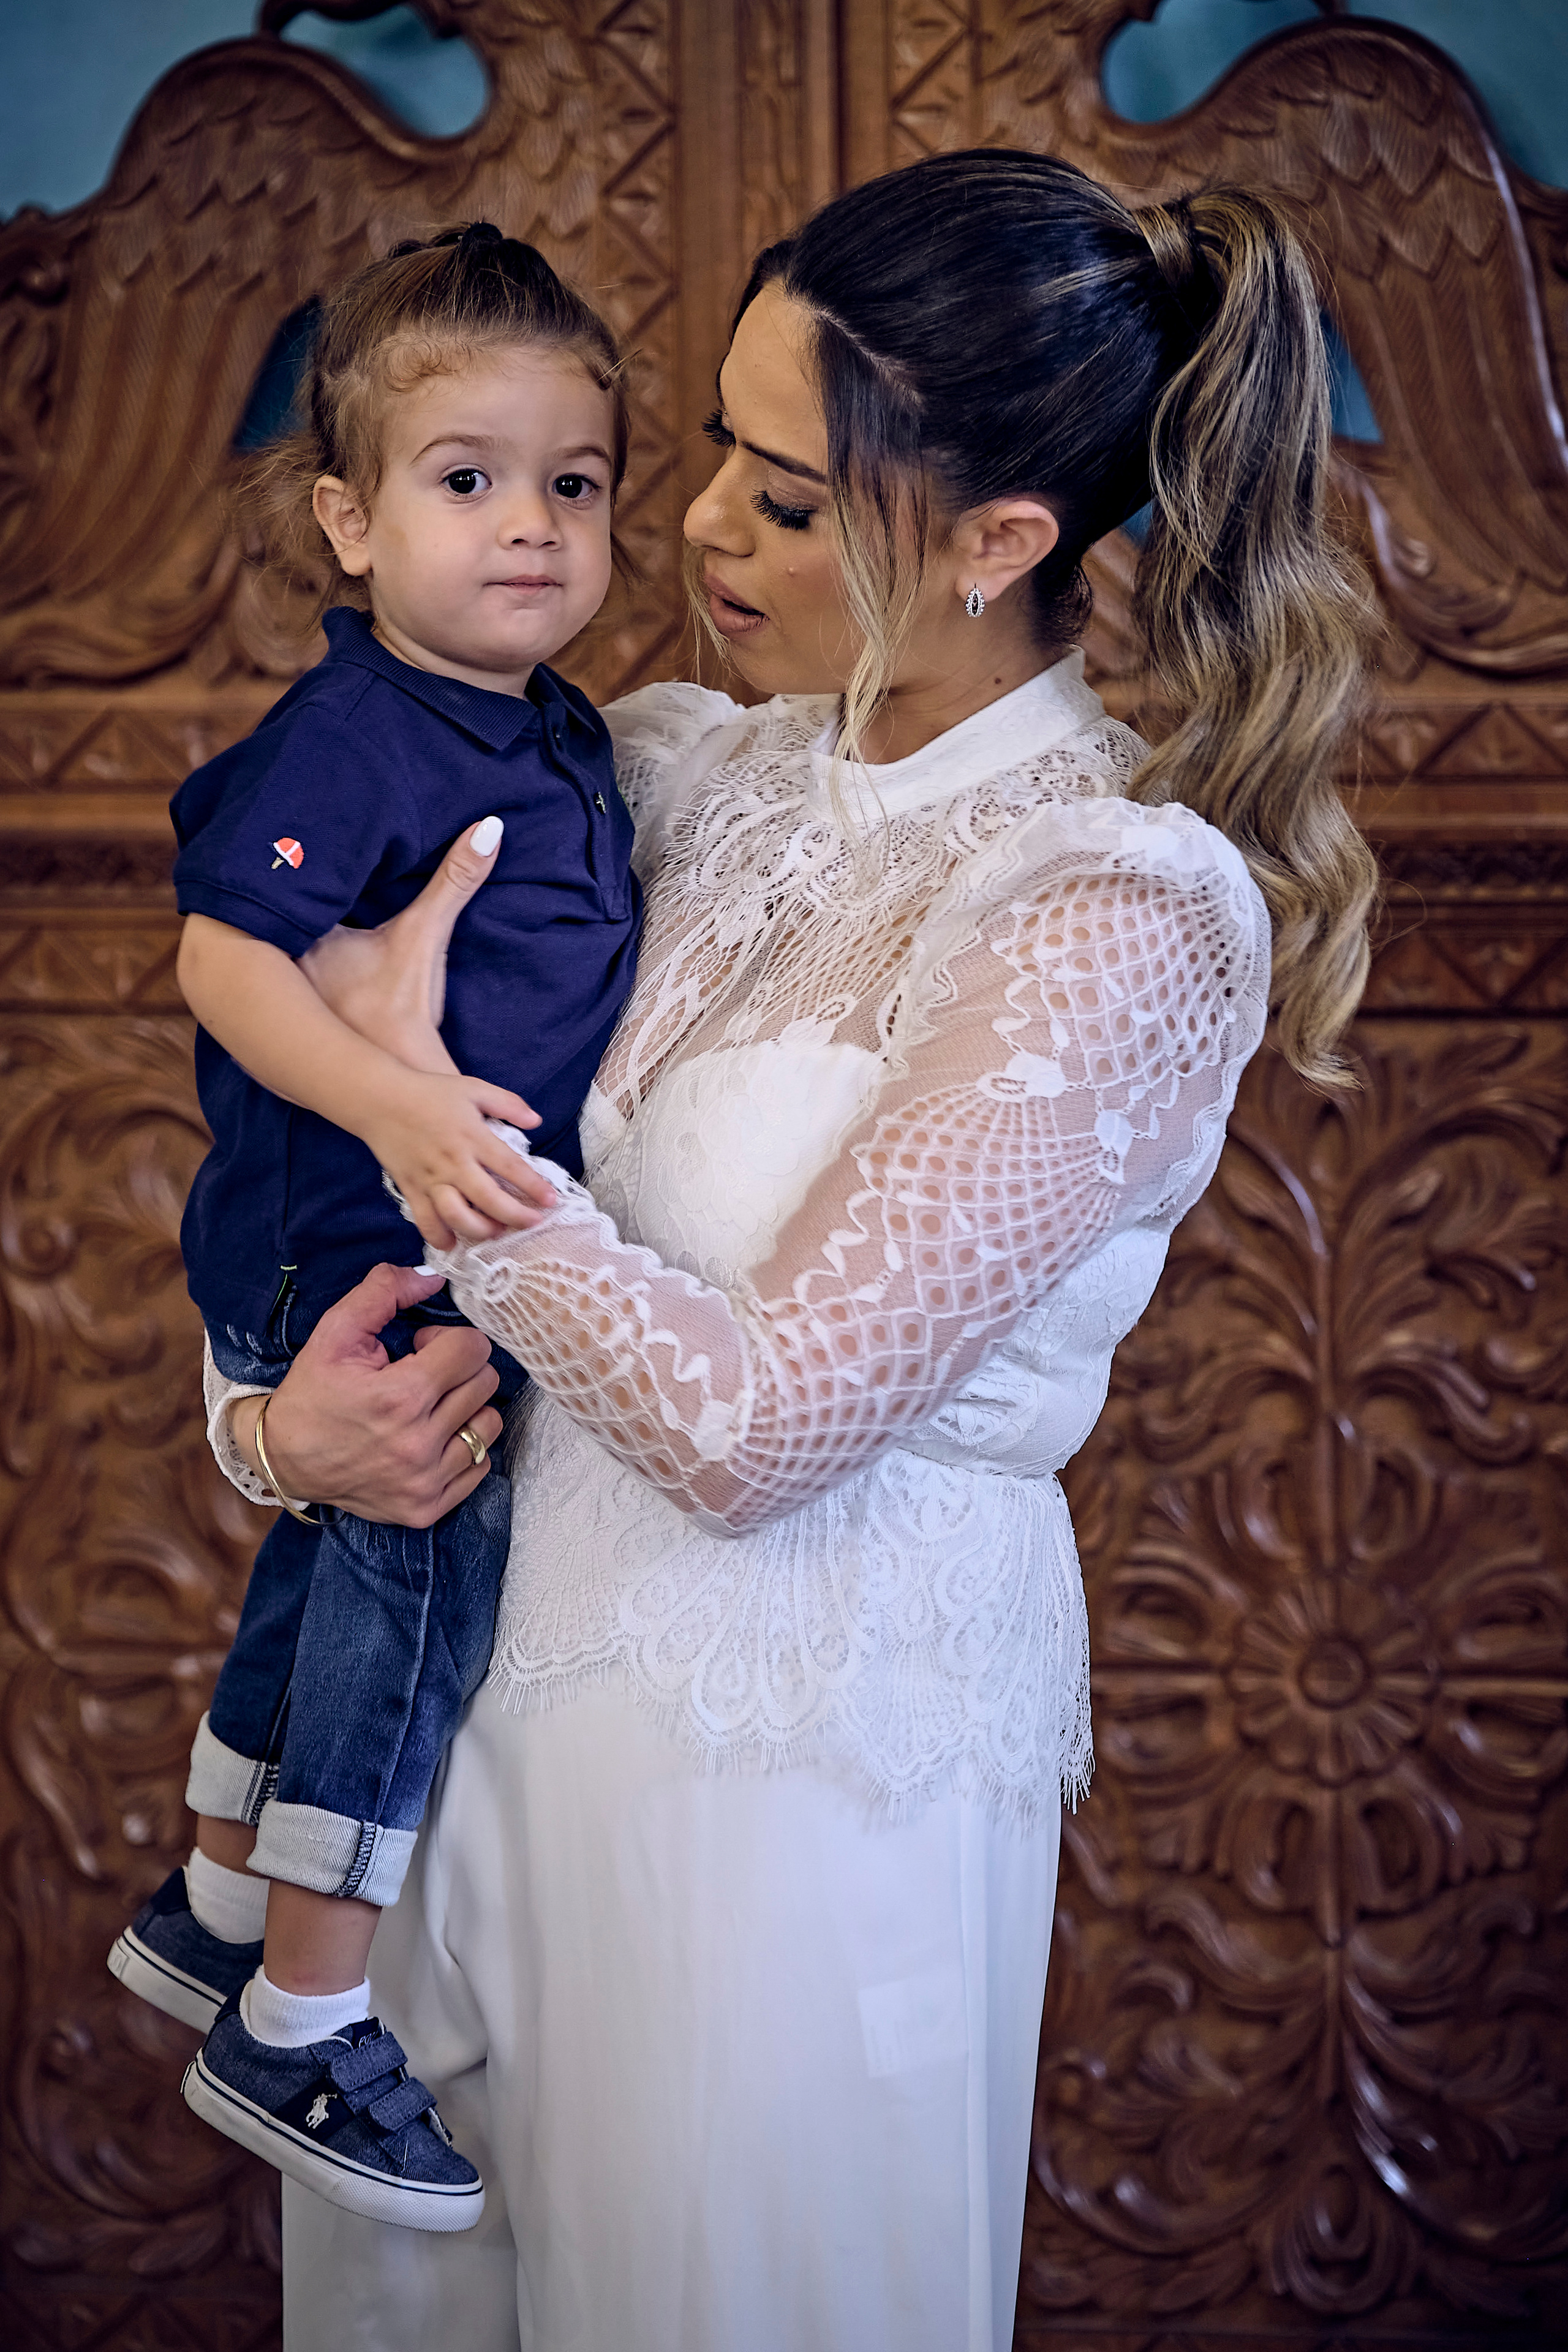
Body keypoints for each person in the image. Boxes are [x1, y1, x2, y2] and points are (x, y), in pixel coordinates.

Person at [198, 151, 1374, 2348]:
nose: (702, 533)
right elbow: (303, 1158)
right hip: (439, 1741)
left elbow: (764, 1430)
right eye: (709, 459)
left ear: (1003, 541)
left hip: (790, 1785)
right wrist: (281, 1430)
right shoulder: (647, 770)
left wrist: (436, 1129)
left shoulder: (1113, 908)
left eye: (787, 492)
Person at [106, 224, 643, 2231]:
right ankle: (304, 2022)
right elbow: (226, 962)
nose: (531, 529)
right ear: (347, 519)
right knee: (413, 1573)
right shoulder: (360, 731)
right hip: (343, 1237)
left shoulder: (556, 725)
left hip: (406, 1233)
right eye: (466, 479)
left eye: (573, 487)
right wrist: (407, 1103)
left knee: (335, 1574)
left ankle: (219, 1895)